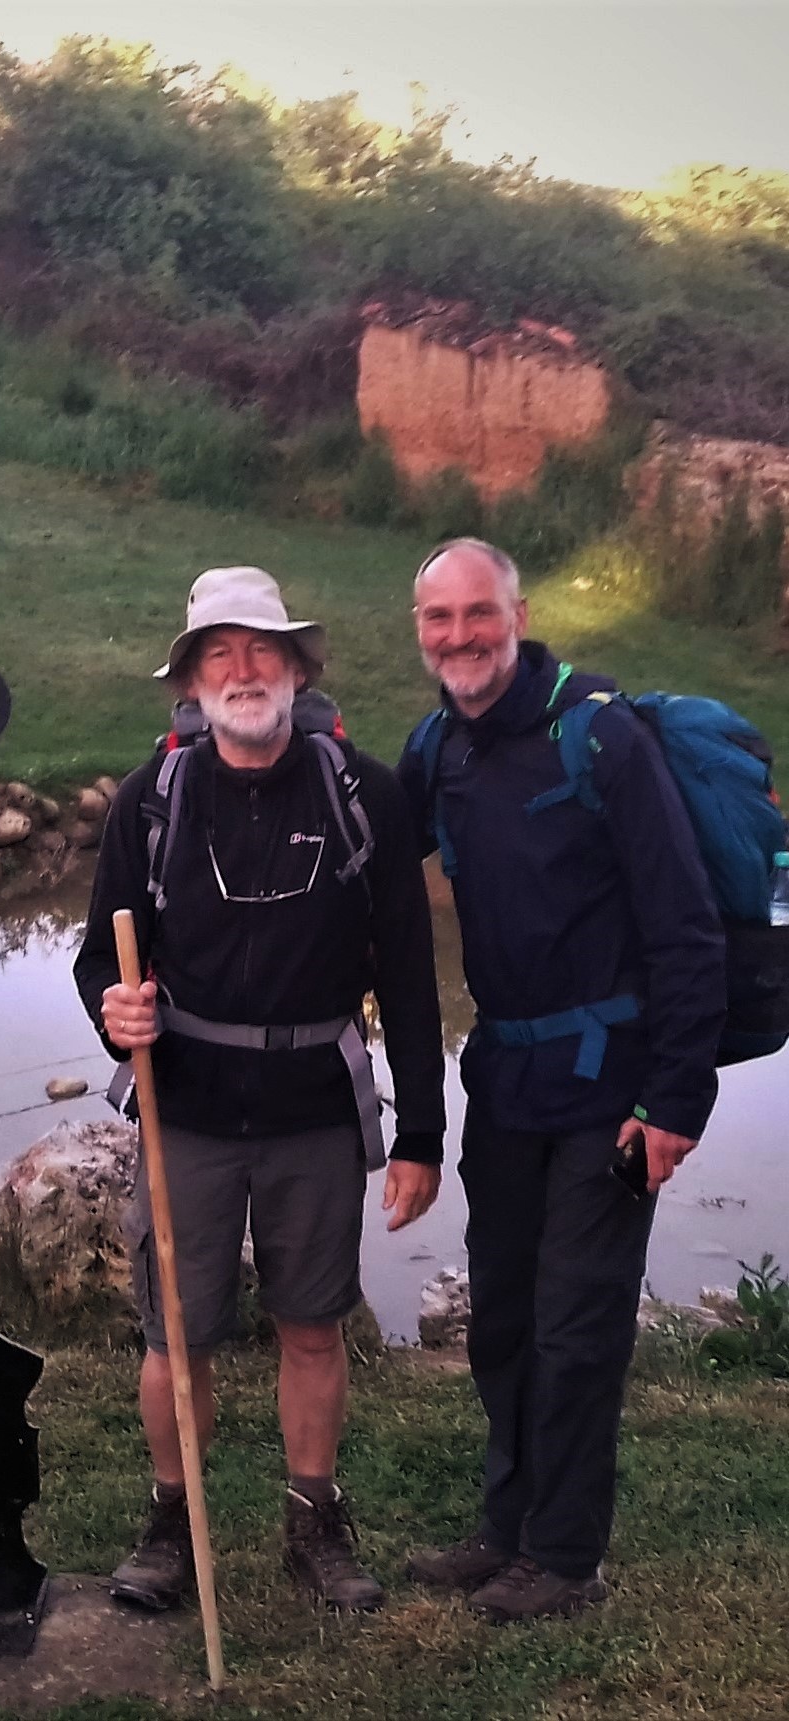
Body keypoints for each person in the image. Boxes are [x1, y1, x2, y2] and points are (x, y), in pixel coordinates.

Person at [74, 565, 446, 1612]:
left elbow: (410, 978)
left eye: (260, 650)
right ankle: (169, 1525)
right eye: (217, 654)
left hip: (312, 1111)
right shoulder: (149, 799)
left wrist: (419, 1128)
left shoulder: (362, 792)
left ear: (293, 666)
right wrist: (114, 1004)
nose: (241, 671)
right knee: (173, 1335)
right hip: (182, 1103)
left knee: (312, 1324)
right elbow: (95, 957)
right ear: (190, 681)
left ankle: (313, 1524)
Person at [398, 538, 726, 1622]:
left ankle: (566, 1555)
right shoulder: (434, 747)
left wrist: (676, 1099)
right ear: (418, 630)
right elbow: (363, 873)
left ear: (516, 612)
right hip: (501, 1079)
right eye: (437, 619)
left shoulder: (600, 736)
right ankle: (507, 1527)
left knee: (575, 1325)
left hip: (610, 1085)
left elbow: (682, 927)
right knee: (500, 1315)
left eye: (475, 613)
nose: (459, 636)